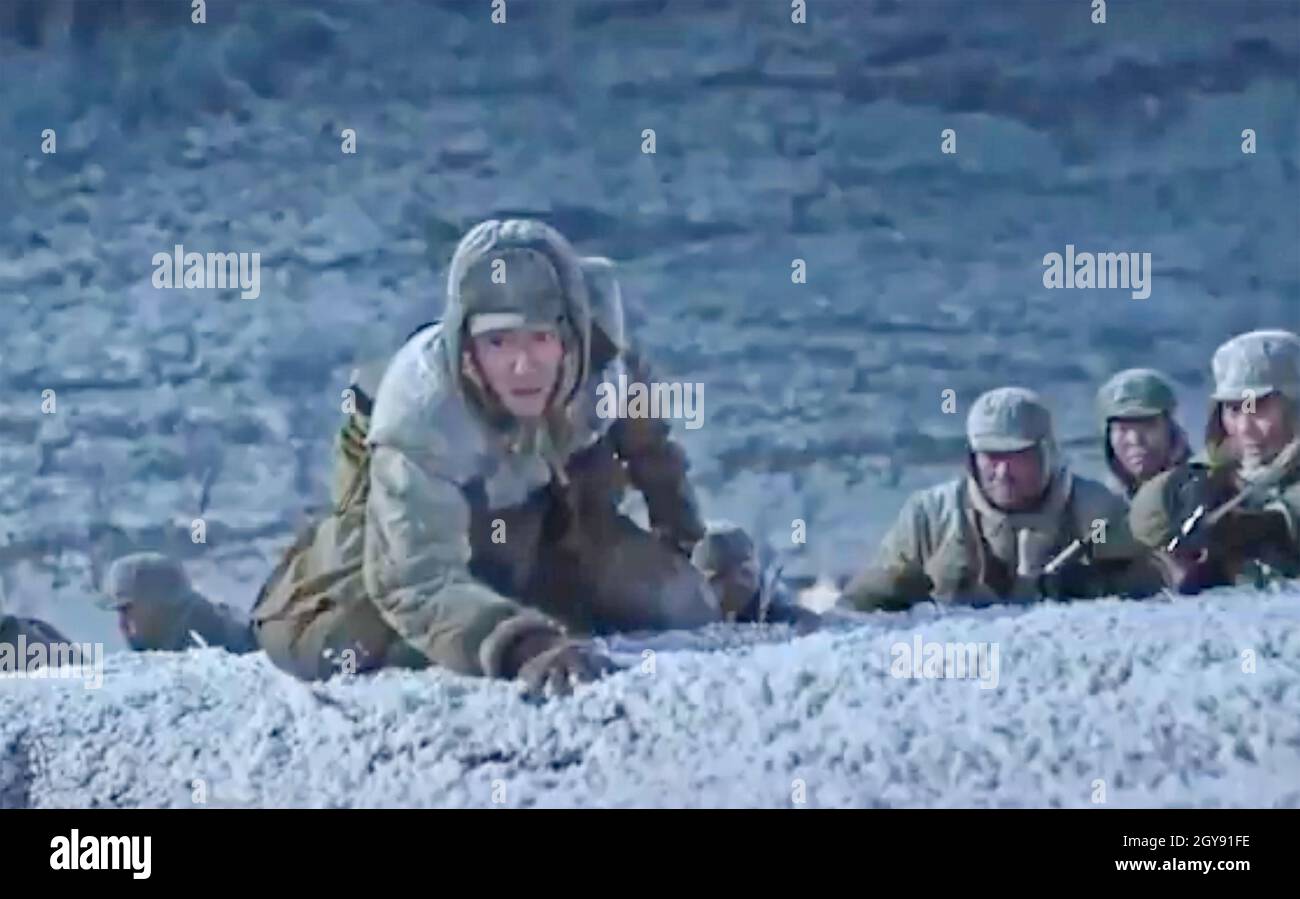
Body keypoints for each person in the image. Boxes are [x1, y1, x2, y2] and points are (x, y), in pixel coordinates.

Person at [252, 219, 724, 693]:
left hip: (541, 516)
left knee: (675, 604)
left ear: (572, 338)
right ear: (466, 347)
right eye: (498, 342)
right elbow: (416, 581)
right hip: (420, 516)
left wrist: (689, 545)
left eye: (540, 338)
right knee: (334, 644)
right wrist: (524, 647)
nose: (523, 366)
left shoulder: (606, 371)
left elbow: (653, 456)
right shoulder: (423, 410)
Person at [841, 386, 1162, 611]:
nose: (1002, 471)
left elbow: (1150, 597)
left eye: (1016, 456)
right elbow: (868, 601)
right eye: (991, 456)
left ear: (1046, 453)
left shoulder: (1098, 513)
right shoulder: (930, 516)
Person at [1129, 329, 1300, 592]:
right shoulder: (1207, 474)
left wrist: (1269, 525)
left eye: (1259, 408)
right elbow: (1137, 529)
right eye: (1233, 410)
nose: (1244, 428)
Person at [97, 553, 257, 653]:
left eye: (127, 610)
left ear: (159, 605)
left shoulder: (217, 650)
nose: (122, 625)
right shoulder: (183, 640)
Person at [1095, 368, 1190, 500]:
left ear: (1172, 428)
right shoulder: (1103, 504)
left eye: (1148, 426)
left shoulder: (1202, 494)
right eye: (1123, 429)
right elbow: (1097, 521)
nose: (1135, 440)